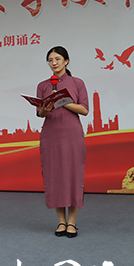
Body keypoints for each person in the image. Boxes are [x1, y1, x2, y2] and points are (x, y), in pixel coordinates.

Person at [36, 47, 88, 238]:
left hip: (72, 135)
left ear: (66, 61)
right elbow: (40, 113)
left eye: (57, 59)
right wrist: (45, 107)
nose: (54, 63)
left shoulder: (77, 83)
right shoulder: (43, 85)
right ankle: (61, 221)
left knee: (73, 176)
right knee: (55, 177)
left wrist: (63, 101)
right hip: (51, 136)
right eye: (50, 60)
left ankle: (72, 222)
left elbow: (84, 110)